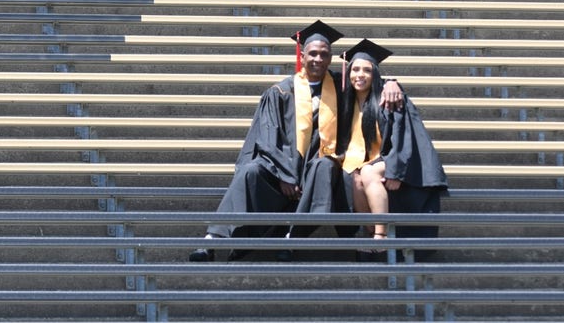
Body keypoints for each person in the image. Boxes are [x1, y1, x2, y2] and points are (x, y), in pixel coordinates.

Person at [189, 21, 404, 262]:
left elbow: (367, 82)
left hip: (317, 172)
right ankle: (211, 240)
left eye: (324, 54)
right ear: (302, 56)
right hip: (280, 171)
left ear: (330, 58)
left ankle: (293, 237)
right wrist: (285, 175)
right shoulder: (280, 93)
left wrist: (392, 82)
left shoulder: (341, 90)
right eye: (313, 53)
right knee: (250, 171)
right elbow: (268, 138)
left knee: (325, 166)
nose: (318, 59)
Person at [336, 39, 448, 259]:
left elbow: (405, 136)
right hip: (364, 163)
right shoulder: (345, 102)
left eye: (367, 70)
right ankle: (370, 233)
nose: (360, 74)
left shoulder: (390, 99)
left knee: (367, 172)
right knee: (355, 178)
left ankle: (382, 236)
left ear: (375, 74)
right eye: (355, 69)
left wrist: (396, 170)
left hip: (396, 162)